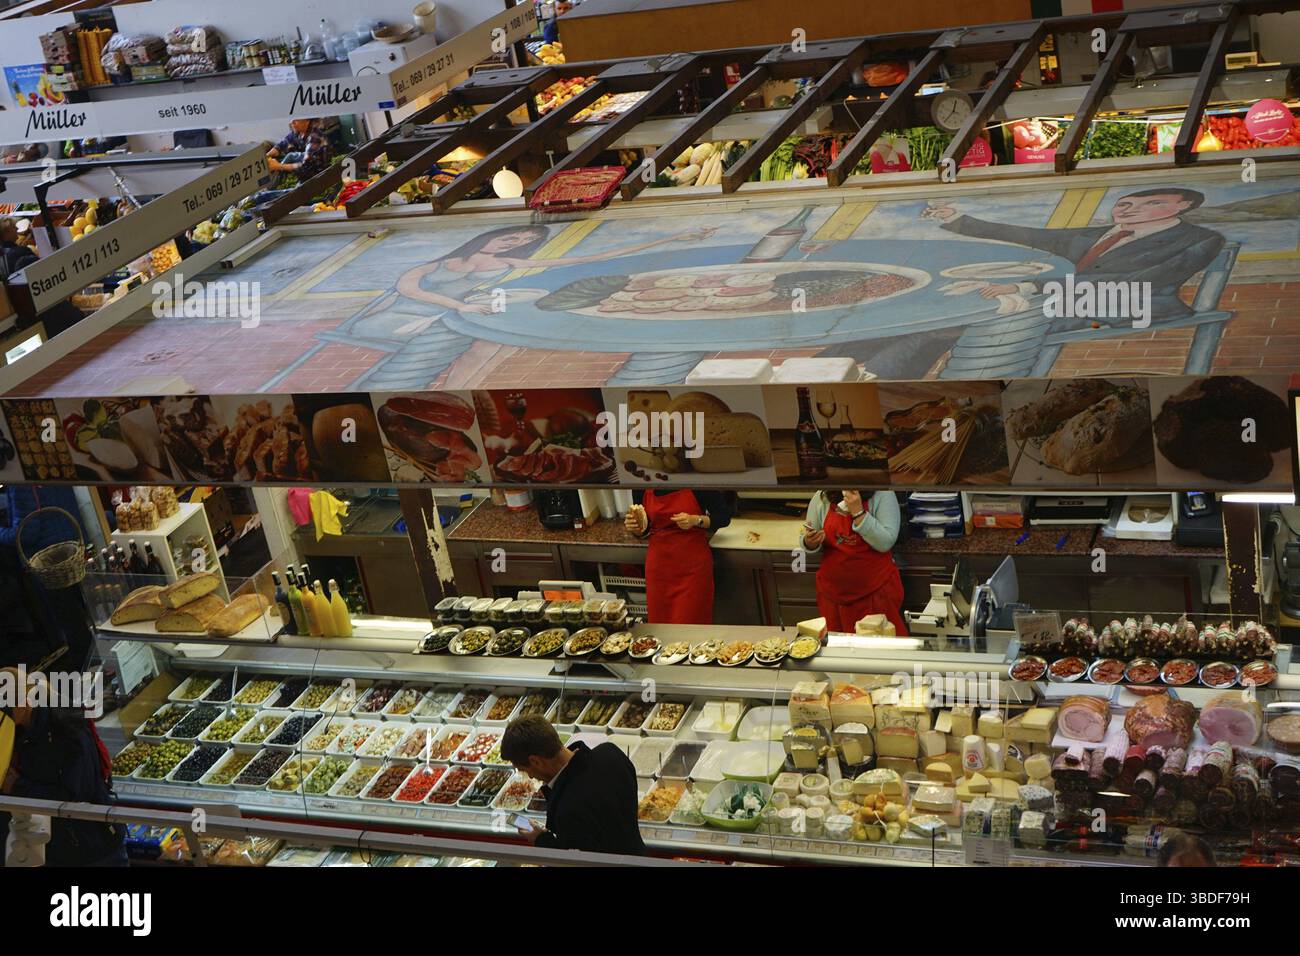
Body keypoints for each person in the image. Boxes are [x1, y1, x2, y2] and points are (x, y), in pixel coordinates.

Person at [0, 670, 127, 867]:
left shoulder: (69, 729)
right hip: (53, 849)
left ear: (24, 703)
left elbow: (75, 796)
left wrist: (17, 787)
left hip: (91, 847)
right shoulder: (18, 732)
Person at [500, 714, 646, 856]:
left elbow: (577, 861)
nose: (530, 776)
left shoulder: (568, 810)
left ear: (536, 761)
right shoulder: (611, 753)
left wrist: (541, 840)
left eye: (524, 770)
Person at [799, 489, 907, 636]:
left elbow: (885, 542)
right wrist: (809, 541)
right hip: (832, 596)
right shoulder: (822, 497)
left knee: (878, 650)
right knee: (838, 651)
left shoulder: (883, 494)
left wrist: (858, 513)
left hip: (875, 592)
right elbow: (807, 532)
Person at [624, 489, 731, 624]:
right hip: (659, 568)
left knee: (690, 624)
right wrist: (635, 528)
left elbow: (723, 517)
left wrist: (695, 520)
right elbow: (644, 528)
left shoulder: (694, 478)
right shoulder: (642, 483)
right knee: (661, 626)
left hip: (692, 567)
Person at [268, 118, 333, 183]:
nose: (292, 122)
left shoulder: (315, 139)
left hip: (318, 176)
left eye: (296, 120)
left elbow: (305, 168)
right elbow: (283, 144)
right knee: (291, 156)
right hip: (306, 170)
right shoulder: (298, 132)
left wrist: (278, 166)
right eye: (291, 119)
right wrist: (267, 155)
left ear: (307, 121)